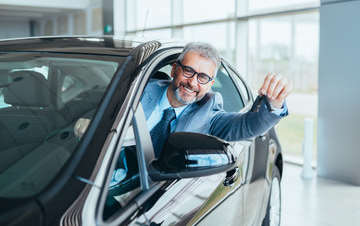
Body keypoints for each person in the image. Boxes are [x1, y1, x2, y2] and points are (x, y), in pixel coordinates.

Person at [75, 42, 292, 157]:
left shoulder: (209, 114)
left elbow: (246, 126)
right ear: (174, 69)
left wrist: (274, 104)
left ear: (210, 83)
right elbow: (99, 106)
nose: (193, 83)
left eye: (203, 77)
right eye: (188, 71)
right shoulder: (138, 90)